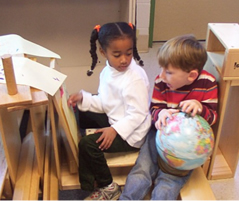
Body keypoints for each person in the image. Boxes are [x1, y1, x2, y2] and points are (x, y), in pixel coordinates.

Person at [119, 34, 218, 200]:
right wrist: (161, 113)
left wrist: (200, 108)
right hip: (158, 134)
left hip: (185, 149)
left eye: (168, 72)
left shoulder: (208, 82)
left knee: (168, 183)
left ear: (191, 76)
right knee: (141, 171)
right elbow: (154, 109)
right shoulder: (161, 82)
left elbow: (213, 117)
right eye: (161, 69)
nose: (161, 76)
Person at [67, 22, 151, 200]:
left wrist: (114, 130)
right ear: (103, 52)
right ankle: (91, 159)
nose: (124, 60)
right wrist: (84, 98)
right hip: (117, 118)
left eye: (129, 53)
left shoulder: (134, 78)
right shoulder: (107, 71)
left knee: (87, 144)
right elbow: (106, 102)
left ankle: (108, 186)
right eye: (117, 54)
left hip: (132, 134)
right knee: (81, 110)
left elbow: (138, 114)